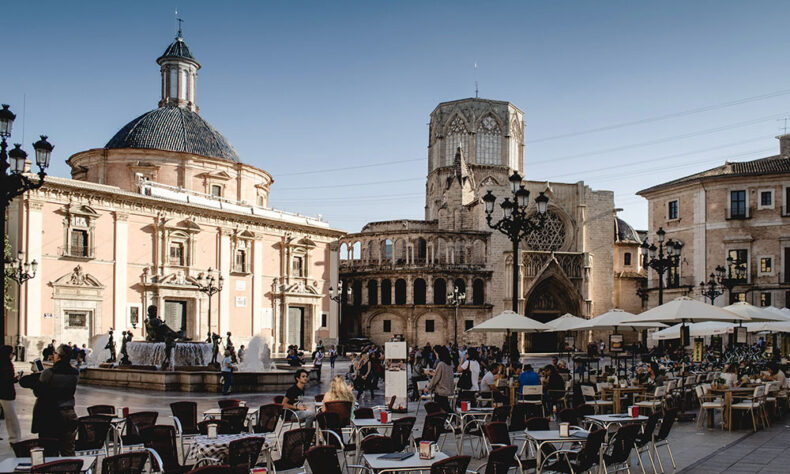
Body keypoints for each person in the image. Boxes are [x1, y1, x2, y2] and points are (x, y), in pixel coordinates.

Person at [20, 344, 79, 455]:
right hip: (69, 413)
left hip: (50, 415)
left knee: (50, 451)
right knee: (68, 450)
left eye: (55, 353)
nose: (53, 355)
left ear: (60, 356)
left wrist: (37, 380)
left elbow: (38, 392)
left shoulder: (49, 373)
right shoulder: (75, 373)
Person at [0, 345, 21, 442]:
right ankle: (15, 438)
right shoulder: (7, 364)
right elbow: (7, 379)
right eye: (12, 353)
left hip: (3, 393)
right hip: (6, 393)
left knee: (9, 416)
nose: (13, 355)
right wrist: (16, 379)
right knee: (11, 417)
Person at [425, 345, 454, 413]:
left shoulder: (441, 364)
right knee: (445, 408)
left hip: (441, 391)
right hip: (447, 390)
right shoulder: (449, 364)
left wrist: (428, 387)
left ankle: (455, 419)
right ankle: (453, 419)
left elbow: (436, 378)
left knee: (440, 409)